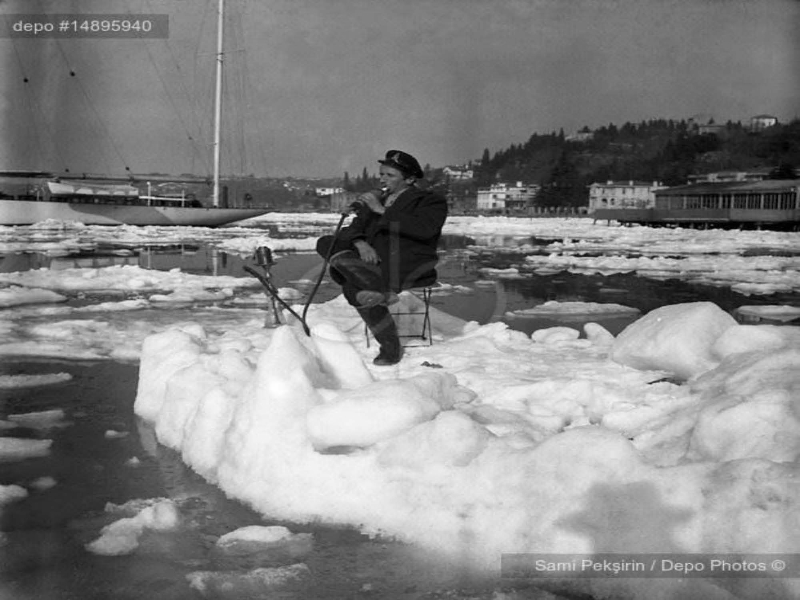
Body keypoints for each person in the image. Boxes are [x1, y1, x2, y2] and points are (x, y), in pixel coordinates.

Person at [316, 150, 448, 366]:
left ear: (409, 179)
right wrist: (360, 242)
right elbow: (351, 230)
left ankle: (390, 347)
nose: (382, 180)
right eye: (381, 174)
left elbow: (425, 229)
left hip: (406, 264)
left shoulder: (430, 201)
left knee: (353, 287)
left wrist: (382, 211)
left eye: (390, 175)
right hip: (375, 264)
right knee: (326, 242)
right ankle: (379, 290)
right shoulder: (378, 200)